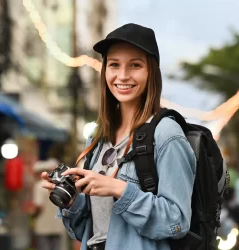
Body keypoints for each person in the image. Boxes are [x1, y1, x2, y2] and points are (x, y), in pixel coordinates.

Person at [41, 23, 196, 250]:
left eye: (135, 65)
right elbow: (90, 231)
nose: (122, 76)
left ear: (151, 71)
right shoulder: (97, 137)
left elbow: (177, 222)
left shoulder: (166, 134)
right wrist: (73, 202)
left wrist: (118, 189)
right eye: (114, 65)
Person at [31, 159, 66, 250]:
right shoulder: (60, 185)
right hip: (57, 225)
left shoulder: (39, 185)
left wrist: (32, 215)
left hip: (43, 226)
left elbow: (39, 206)